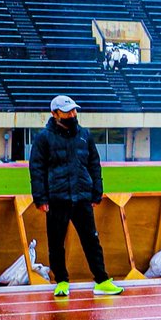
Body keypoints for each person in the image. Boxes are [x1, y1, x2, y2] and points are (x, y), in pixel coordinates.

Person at [29, 94, 122, 297]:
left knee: (91, 240)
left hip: (81, 197)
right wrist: (40, 198)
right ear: (54, 114)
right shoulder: (43, 138)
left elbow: (94, 165)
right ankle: (61, 281)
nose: (72, 114)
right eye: (67, 112)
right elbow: (36, 169)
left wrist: (96, 192)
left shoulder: (84, 135)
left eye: (73, 110)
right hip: (57, 198)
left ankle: (102, 280)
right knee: (56, 243)